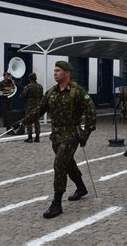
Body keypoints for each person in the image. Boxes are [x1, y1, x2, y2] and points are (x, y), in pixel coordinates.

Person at [19, 61, 96, 219]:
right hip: (56, 136)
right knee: (68, 164)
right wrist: (23, 122)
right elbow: (39, 110)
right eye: (54, 70)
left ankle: (57, 203)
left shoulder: (78, 92)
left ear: (67, 72)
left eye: (58, 70)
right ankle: (81, 187)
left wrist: (86, 133)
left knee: (59, 164)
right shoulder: (51, 92)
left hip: (71, 134)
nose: (55, 73)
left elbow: (91, 111)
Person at [20, 72, 43, 143]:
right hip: (38, 106)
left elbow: (23, 96)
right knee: (37, 121)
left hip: (30, 106)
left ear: (30, 79)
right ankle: (37, 137)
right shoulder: (40, 86)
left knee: (29, 121)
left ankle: (30, 137)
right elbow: (41, 95)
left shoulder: (28, 86)